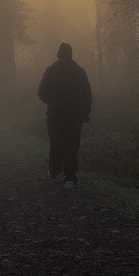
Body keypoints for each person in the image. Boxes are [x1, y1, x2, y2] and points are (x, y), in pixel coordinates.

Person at [38, 42, 92, 190]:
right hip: (74, 117)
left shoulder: (51, 70)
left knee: (56, 144)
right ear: (71, 54)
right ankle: (69, 179)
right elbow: (87, 95)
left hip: (55, 116)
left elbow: (42, 94)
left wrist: (52, 101)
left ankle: (54, 174)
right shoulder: (79, 71)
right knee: (72, 146)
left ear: (58, 54)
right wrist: (85, 114)